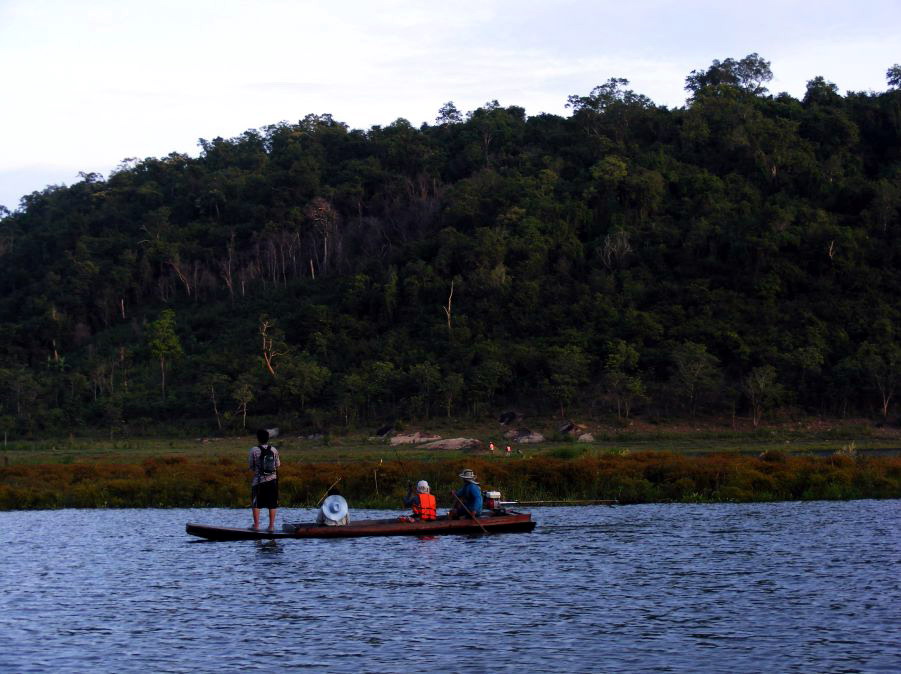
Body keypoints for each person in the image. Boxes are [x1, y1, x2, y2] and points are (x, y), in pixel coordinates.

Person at [249, 428, 280, 531]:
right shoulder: (274, 450)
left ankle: (256, 526)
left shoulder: (254, 450)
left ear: (258, 439)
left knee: (256, 503)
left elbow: (251, 467)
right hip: (272, 481)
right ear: (268, 438)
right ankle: (271, 526)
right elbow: (278, 465)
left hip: (258, 481)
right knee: (272, 503)